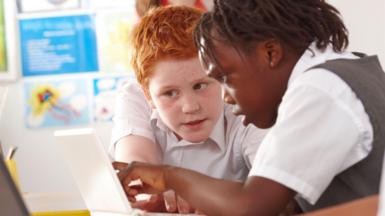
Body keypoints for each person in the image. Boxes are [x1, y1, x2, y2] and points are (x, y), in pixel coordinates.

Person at [113, 0, 385, 215]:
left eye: (226, 77)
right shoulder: (351, 69)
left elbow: (251, 206)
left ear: (269, 53)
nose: (227, 97)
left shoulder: (320, 89)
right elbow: (287, 204)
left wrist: (168, 176)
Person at [111, 5, 267, 214]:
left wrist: (186, 188)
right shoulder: (135, 95)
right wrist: (150, 190)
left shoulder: (245, 105)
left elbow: (272, 190)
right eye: (170, 93)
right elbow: (136, 170)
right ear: (148, 95)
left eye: (200, 85)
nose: (190, 107)